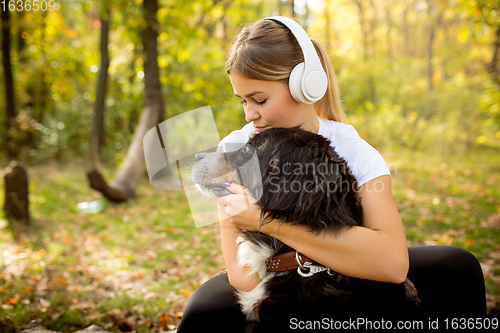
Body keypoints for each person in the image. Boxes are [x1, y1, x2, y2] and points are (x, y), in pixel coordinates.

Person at [176, 17, 486, 332]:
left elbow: (392, 264)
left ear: (306, 86)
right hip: (278, 282)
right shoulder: (235, 147)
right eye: (243, 101)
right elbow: (242, 276)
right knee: (202, 311)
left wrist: (265, 222)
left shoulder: (355, 151)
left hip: (352, 279)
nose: (249, 114)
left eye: (260, 100)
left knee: (458, 267)